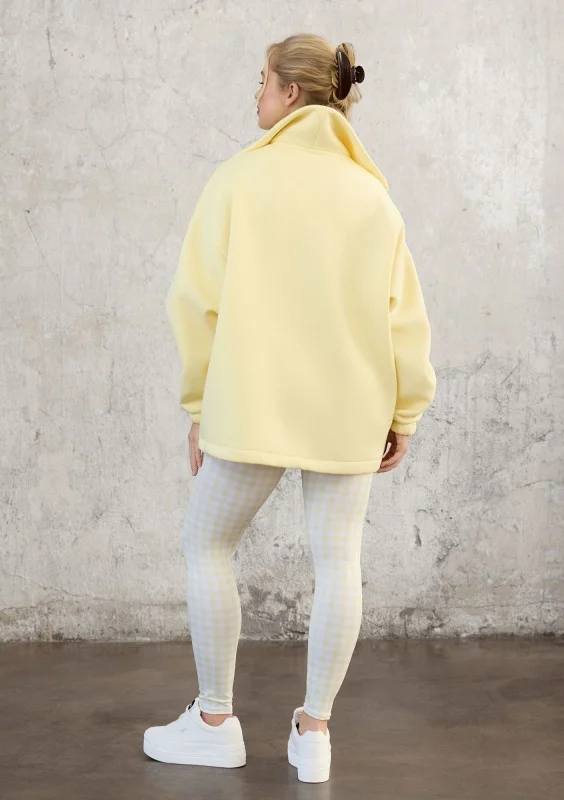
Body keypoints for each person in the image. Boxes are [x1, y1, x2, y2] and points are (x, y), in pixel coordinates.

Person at [143, 33, 436, 784]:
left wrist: (200, 405)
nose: (257, 95)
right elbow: (405, 319)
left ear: (292, 94)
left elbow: (195, 304)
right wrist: (404, 412)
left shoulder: (239, 180)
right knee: (339, 562)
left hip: (252, 407)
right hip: (350, 411)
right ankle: (315, 735)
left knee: (206, 544)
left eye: (263, 81)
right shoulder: (372, 197)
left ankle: (215, 722)